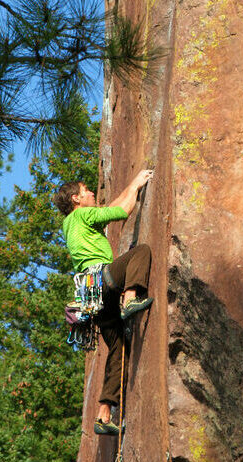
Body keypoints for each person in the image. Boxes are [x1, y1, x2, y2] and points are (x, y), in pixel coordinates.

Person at [53, 169, 154, 436]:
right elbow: (121, 212)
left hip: (92, 302)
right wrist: (137, 183)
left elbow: (111, 207)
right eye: (86, 191)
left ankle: (104, 413)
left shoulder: (71, 223)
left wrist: (130, 188)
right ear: (76, 199)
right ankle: (131, 298)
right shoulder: (83, 214)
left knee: (118, 349)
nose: (92, 194)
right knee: (140, 252)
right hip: (103, 282)